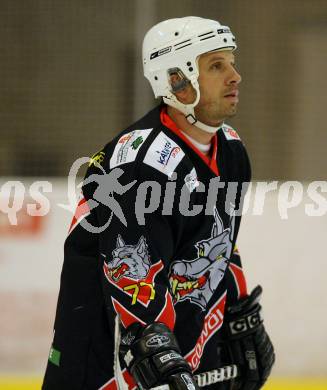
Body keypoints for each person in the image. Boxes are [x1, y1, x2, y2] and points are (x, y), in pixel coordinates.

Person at [43, 16, 275, 390]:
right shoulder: (139, 163)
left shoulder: (231, 149)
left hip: (188, 343)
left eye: (232, 62)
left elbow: (220, 242)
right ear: (177, 81)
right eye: (217, 65)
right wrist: (156, 348)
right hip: (112, 356)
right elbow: (129, 268)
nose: (236, 75)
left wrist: (237, 310)